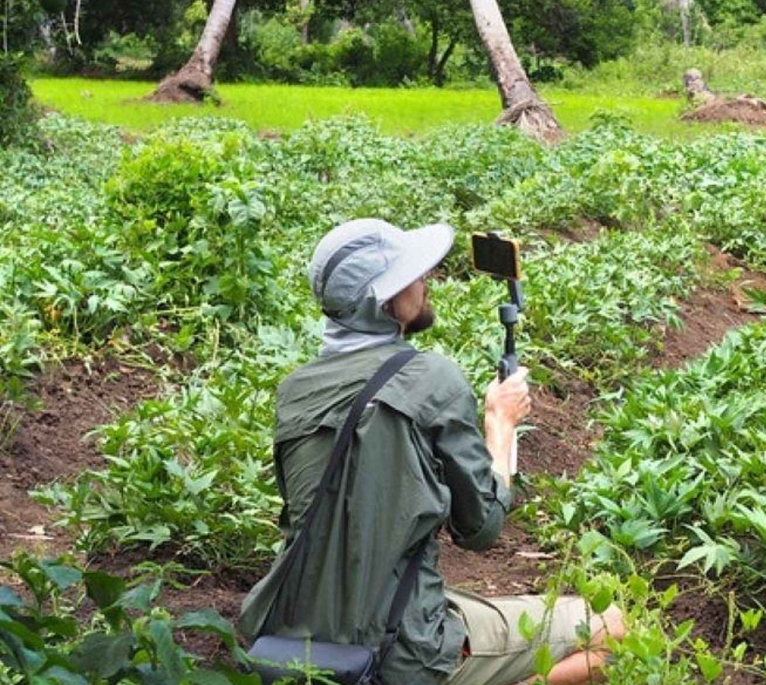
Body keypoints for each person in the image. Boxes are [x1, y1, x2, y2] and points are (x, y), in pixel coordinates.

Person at [240, 218, 625, 685]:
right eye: (413, 275)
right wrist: (499, 425)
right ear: (385, 303)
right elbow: (480, 529)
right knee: (614, 629)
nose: (426, 281)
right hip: (400, 656)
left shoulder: (294, 390)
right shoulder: (430, 379)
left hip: (291, 639)